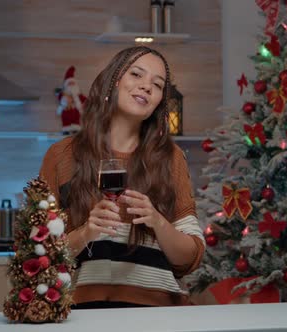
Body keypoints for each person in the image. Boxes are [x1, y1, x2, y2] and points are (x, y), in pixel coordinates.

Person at [39, 46, 205, 309]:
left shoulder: (169, 157)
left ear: (160, 101)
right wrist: (87, 232)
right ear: (114, 81)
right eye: (137, 74)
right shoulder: (62, 155)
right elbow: (39, 255)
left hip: (160, 316)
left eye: (157, 84)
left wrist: (157, 222)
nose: (146, 87)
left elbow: (189, 258)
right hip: (83, 316)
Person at [56, 66, 87, 135]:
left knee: (76, 118)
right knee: (65, 118)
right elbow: (58, 94)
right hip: (66, 109)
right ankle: (66, 129)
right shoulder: (64, 94)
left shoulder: (78, 95)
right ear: (66, 85)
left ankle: (75, 129)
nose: (72, 86)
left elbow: (85, 100)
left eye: (73, 83)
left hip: (75, 110)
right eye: (70, 84)